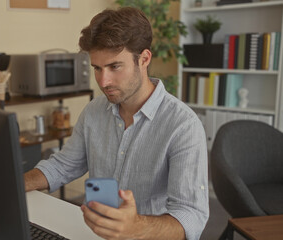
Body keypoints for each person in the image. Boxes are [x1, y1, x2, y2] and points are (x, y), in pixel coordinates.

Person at [24, 7, 209, 240]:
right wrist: (13, 185)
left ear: (144, 59)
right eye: (97, 69)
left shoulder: (183, 126)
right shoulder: (94, 111)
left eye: (114, 67)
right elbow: (63, 165)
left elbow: (191, 216)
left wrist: (137, 226)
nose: (103, 81)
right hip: (92, 233)